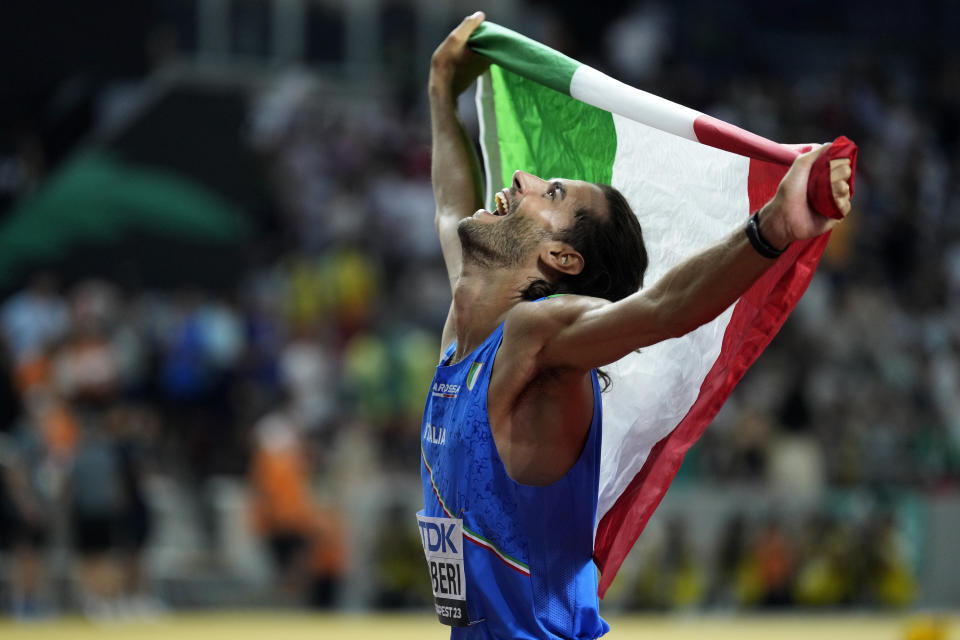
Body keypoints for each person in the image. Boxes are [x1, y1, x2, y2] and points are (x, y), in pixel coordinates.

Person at [417, 12, 853, 639]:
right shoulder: (468, 327)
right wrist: (440, 90)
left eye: (554, 192)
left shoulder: (539, 334)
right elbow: (449, 208)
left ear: (563, 259)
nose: (521, 177)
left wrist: (771, 228)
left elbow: (661, 310)